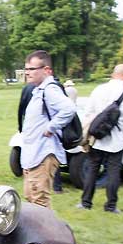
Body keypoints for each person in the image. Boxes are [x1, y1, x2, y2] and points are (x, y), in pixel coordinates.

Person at [76, 64, 123, 214]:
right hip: (117, 139)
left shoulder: (99, 89)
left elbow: (89, 112)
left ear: (113, 74)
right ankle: (110, 205)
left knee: (92, 169)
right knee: (113, 172)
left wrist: (90, 132)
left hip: (97, 137)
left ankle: (86, 202)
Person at [20, 50, 76, 209]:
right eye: (26, 69)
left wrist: (51, 127)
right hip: (34, 153)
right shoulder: (39, 90)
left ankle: (49, 234)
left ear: (46, 70)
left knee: (40, 202)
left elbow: (69, 108)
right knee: (32, 198)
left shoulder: (50, 89)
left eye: (32, 69)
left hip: (43, 153)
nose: (27, 73)